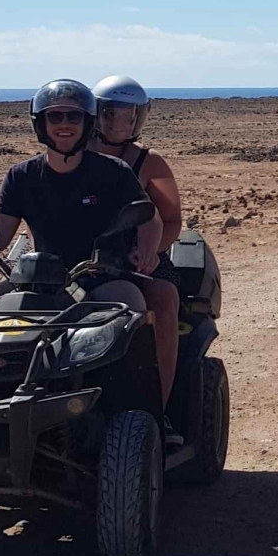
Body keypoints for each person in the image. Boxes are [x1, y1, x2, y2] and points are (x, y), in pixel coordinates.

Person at [0, 79, 172, 402]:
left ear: (87, 122)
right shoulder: (21, 177)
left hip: (101, 279)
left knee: (131, 314)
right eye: (55, 116)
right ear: (42, 124)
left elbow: (149, 217)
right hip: (36, 282)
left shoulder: (113, 172)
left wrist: (147, 248)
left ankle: (141, 409)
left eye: (73, 117)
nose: (64, 124)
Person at [91, 75, 179, 408]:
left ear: (139, 117)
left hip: (135, 260)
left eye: (127, 114)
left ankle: (159, 406)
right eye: (110, 112)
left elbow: (170, 220)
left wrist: (149, 253)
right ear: (96, 113)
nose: (117, 122)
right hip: (81, 259)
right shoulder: (73, 154)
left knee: (163, 300)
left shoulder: (149, 162)